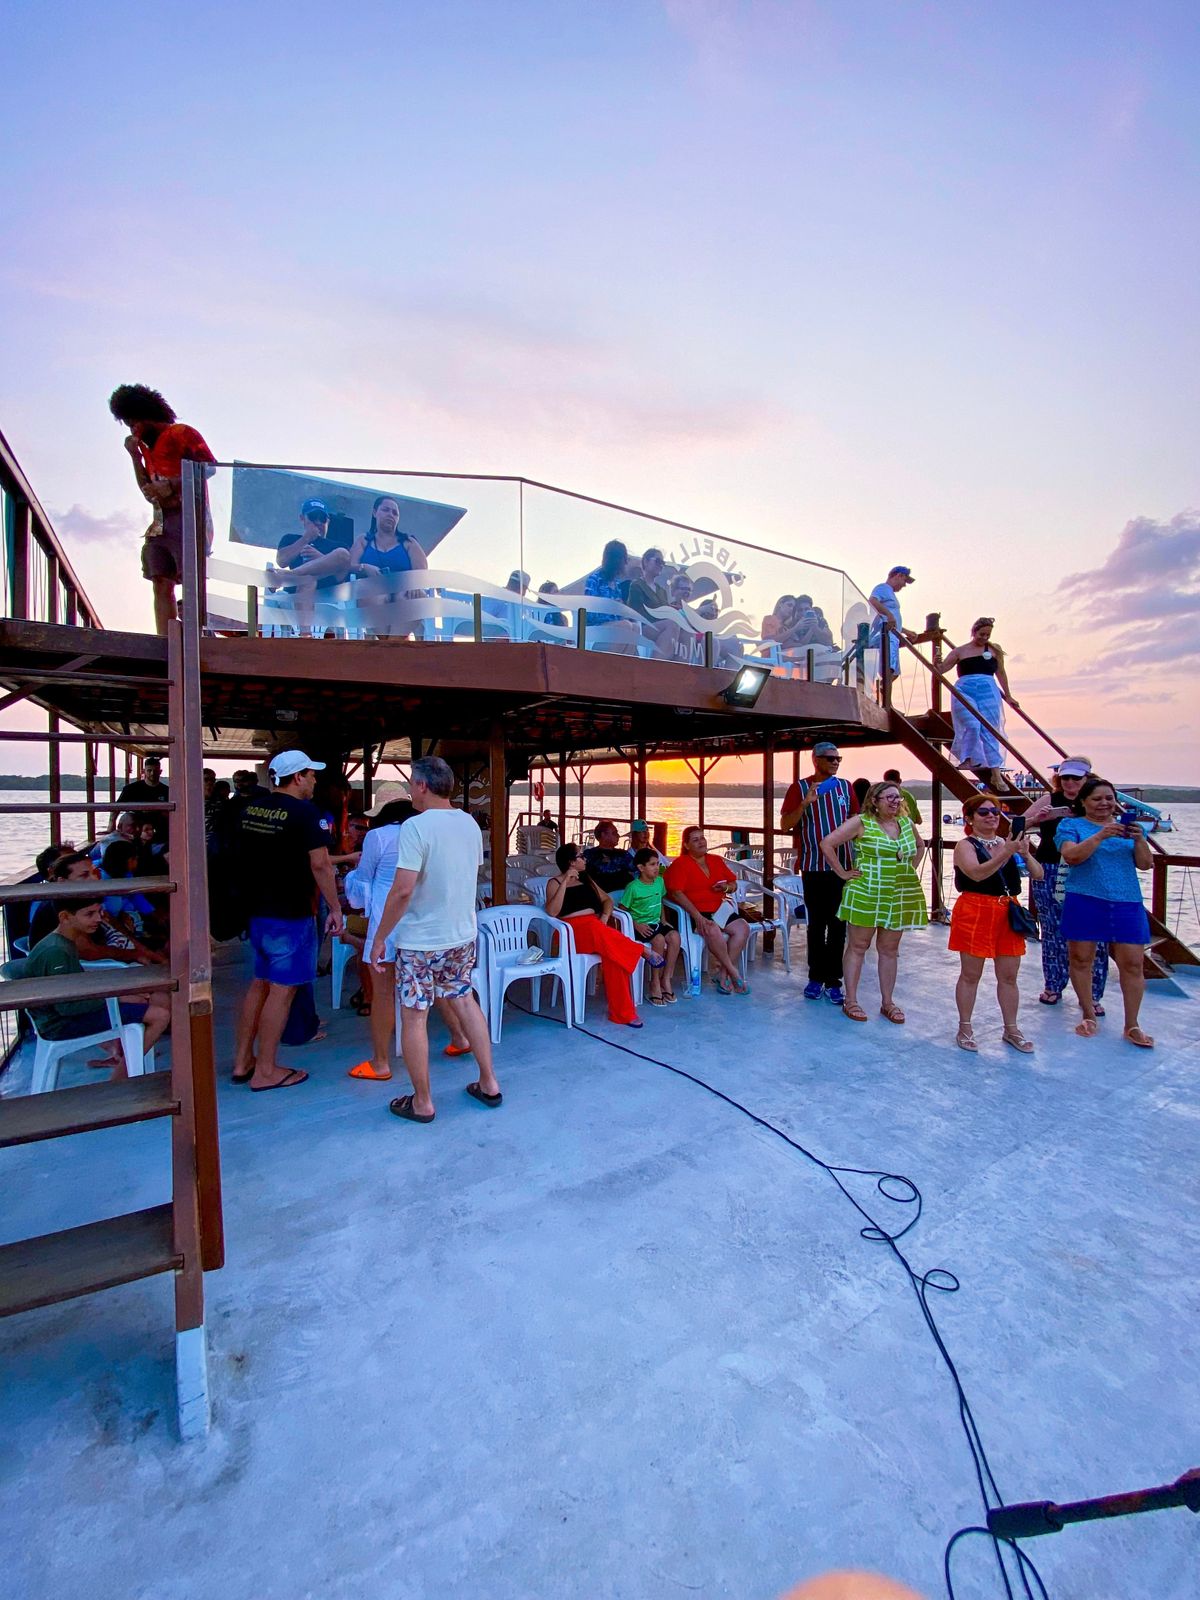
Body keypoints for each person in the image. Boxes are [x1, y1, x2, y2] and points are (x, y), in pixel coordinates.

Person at [369, 756, 501, 1122]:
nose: (411, 791)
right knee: (465, 1001)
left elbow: (402, 890)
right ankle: (489, 1082)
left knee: (415, 1017)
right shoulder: (469, 823)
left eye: (412, 784)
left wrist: (380, 937)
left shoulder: (415, 827)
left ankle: (423, 1102)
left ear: (423, 786)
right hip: (460, 934)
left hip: (421, 939)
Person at [231, 750, 343, 1090]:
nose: (315, 780)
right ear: (297, 777)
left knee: (259, 984)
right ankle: (266, 1070)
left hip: (256, 911)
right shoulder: (306, 813)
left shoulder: (250, 809)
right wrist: (335, 907)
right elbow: (320, 864)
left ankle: (243, 1061)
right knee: (282, 991)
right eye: (311, 774)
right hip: (290, 913)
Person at [109, 383, 216, 635]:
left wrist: (172, 484)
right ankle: (165, 639)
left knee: (191, 582)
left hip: (190, 518)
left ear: (146, 415)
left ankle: (194, 636)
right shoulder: (147, 450)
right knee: (159, 578)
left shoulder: (181, 433)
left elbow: (209, 467)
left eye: (133, 422)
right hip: (161, 521)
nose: (133, 429)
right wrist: (135, 458)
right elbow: (147, 490)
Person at [1057, 776, 1154, 1047]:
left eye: (1109, 798)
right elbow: (1072, 856)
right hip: (1084, 898)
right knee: (1081, 959)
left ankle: (1132, 1024)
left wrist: (1139, 840)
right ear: (1083, 802)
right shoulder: (1071, 825)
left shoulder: (1131, 830)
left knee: (1133, 963)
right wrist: (1100, 835)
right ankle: (1088, 1014)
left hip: (1126, 900)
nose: (1104, 803)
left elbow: (1145, 864)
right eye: (1097, 798)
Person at [24, 899, 171, 1077]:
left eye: (99, 912)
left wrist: (121, 994)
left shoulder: (65, 942)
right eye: (89, 914)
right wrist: (118, 998)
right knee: (160, 1015)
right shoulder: (56, 951)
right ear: (65, 917)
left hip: (70, 1011)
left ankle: (125, 1059)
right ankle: (119, 1080)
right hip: (59, 1024)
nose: (98, 919)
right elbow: (66, 1007)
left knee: (157, 998)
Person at [821, 781, 927, 1023]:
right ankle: (851, 1000)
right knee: (858, 946)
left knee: (889, 950)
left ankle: (888, 1002)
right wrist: (842, 873)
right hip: (866, 890)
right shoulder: (861, 822)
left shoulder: (906, 823)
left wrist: (909, 869)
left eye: (898, 797)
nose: (895, 801)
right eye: (889, 797)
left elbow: (920, 846)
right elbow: (827, 843)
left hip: (898, 893)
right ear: (874, 801)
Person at [949, 793, 1044, 1052]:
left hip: (1007, 910)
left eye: (995, 811)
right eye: (983, 812)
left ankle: (1011, 1029)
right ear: (970, 818)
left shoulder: (1006, 843)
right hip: (975, 909)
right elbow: (976, 874)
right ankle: (965, 1027)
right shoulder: (966, 846)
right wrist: (1006, 853)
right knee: (971, 974)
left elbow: (1038, 874)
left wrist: (1025, 854)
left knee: (1009, 975)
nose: (991, 816)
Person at [545, 842, 664, 1026]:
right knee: (606, 938)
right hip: (571, 933)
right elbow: (552, 911)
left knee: (614, 958)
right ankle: (640, 950)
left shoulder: (586, 879)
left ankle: (623, 1014)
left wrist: (604, 916)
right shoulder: (554, 883)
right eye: (581, 856)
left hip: (596, 928)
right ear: (571, 862)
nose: (585, 859)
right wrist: (565, 882)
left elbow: (607, 900)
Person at [780, 741, 858, 1004]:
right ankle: (815, 978)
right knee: (816, 926)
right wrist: (805, 804)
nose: (835, 762)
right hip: (814, 866)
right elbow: (785, 824)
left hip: (843, 867)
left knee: (838, 926)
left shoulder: (845, 787)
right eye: (830, 758)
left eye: (838, 759)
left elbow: (857, 822)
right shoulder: (800, 788)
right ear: (816, 760)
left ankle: (834, 981)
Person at [1031, 757, 1108, 1011]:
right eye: (1065, 777)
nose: (1070, 782)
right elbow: (1017, 824)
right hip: (1051, 868)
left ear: (1087, 779)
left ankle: (1093, 995)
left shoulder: (1097, 802)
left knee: (1095, 934)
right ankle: (1053, 985)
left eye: (1076, 778)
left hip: (1087, 870)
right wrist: (1038, 819)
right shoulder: (1050, 799)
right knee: (1052, 930)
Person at [665, 827, 751, 995]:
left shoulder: (716, 860)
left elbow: (733, 884)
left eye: (702, 838)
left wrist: (726, 887)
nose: (701, 842)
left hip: (718, 909)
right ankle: (733, 972)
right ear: (686, 845)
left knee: (743, 928)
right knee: (713, 930)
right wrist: (697, 916)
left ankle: (723, 973)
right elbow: (676, 893)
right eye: (695, 839)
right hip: (694, 911)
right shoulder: (681, 864)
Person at [942, 617, 1016, 791]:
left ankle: (996, 774)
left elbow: (1001, 673)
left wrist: (1008, 695)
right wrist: (937, 661)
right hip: (965, 689)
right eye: (982, 634)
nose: (984, 638)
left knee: (990, 730)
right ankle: (967, 758)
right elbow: (941, 669)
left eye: (988, 635)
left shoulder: (994, 650)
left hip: (987, 689)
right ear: (974, 632)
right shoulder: (960, 651)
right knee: (973, 724)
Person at [272, 499, 352, 630]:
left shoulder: (337, 545)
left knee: (342, 553)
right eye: (313, 517)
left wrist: (319, 557)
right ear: (302, 518)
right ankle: (305, 634)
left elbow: (343, 567)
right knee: (307, 580)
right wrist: (306, 539)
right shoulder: (290, 539)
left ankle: (289, 575)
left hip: (328, 591)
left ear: (328, 521)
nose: (318, 522)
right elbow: (282, 561)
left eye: (322, 519)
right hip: (297, 590)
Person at [621, 848, 681, 1003]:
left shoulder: (660, 881)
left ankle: (665, 979)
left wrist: (663, 919)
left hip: (656, 922)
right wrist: (636, 924)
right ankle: (654, 982)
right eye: (652, 864)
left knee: (675, 937)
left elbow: (660, 901)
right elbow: (622, 910)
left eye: (658, 864)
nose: (656, 868)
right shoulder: (633, 887)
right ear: (641, 868)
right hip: (640, 926)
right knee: (659, 940)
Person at [349, 494, 429, 579]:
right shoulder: (363, 540)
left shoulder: (409, 543)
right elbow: (349, 567)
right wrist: (364, 568)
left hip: (402, 587)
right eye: (385, 510)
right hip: (367, 587)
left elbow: (421, 575)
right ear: (374, 512)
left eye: (395, 513)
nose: (390, 515)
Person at [625, 547, 682, 659]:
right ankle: (656, 665)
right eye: (658, 561)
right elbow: (635, 613)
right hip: (643, 628)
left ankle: (684, 668)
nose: (661, 565)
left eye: (663, 563)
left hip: (660, 626)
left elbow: (666, 611)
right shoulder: (636, 585)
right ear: (646, 561)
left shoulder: (661, 591)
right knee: (672, 624)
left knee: (686, 631)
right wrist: (664, 612)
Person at [867, 564, 916, 678]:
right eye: (904, 580)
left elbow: (892, 621)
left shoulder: (890, 592)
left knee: (894, 673)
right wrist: (889, 615)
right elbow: (873, 600)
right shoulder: (883, 588)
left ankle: (883, 687)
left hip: (892, 634)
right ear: (899, 575)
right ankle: (884, 686)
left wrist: (906, 631)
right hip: (887, 635)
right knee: (889, 668)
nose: (904, 585)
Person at [115, 754, 169, 843]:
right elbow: (116, 808)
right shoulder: (131, 789)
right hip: (136, 829)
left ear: (160, 772)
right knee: (127, 817)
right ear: (143, 771)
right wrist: (110, 826)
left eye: (155, 771)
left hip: (159, 828)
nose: (152, 773)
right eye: (149, 770)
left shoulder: (167, 791)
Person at [583, 820, 634, 896]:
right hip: (599, 895)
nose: (618, 836)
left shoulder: (623, 854)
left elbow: (636, 868)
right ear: (603, 835)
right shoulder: (589, 855)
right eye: (614, 833)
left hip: (624, 895)